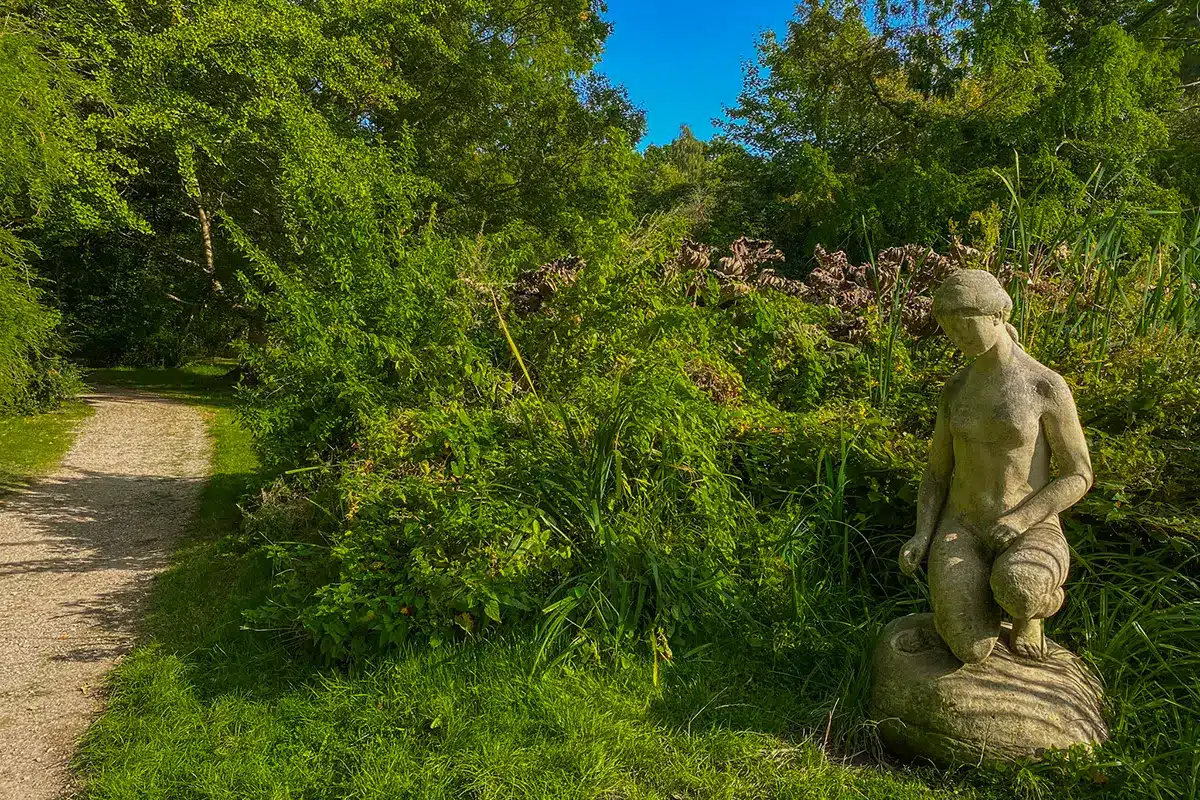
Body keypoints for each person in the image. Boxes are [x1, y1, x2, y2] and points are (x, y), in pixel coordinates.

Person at [898, 270, 1093, 661]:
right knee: (970, 647)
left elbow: (1079, 474)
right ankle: (979, 599)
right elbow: (937, 472)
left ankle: (1036, 608)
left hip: (1029, 525)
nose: (958, 338)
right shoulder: (955, 389)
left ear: (998, 316)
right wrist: (923, 534)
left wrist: (1023, 520)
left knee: (1020, 588)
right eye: (950, 329)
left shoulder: (1044, 386)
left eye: (965, 326)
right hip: (962, 526)